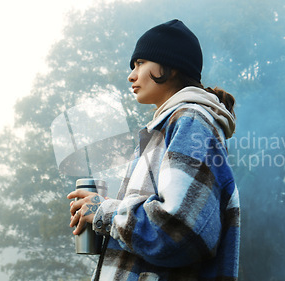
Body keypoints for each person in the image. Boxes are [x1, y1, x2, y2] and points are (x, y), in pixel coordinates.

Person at [67, 19, 240, 281]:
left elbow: (179, 230)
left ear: (170, 66)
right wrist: (99, 223)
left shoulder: (190, 121)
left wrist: (106, 212)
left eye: (140, 63)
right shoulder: (163, 129)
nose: (131, 75)